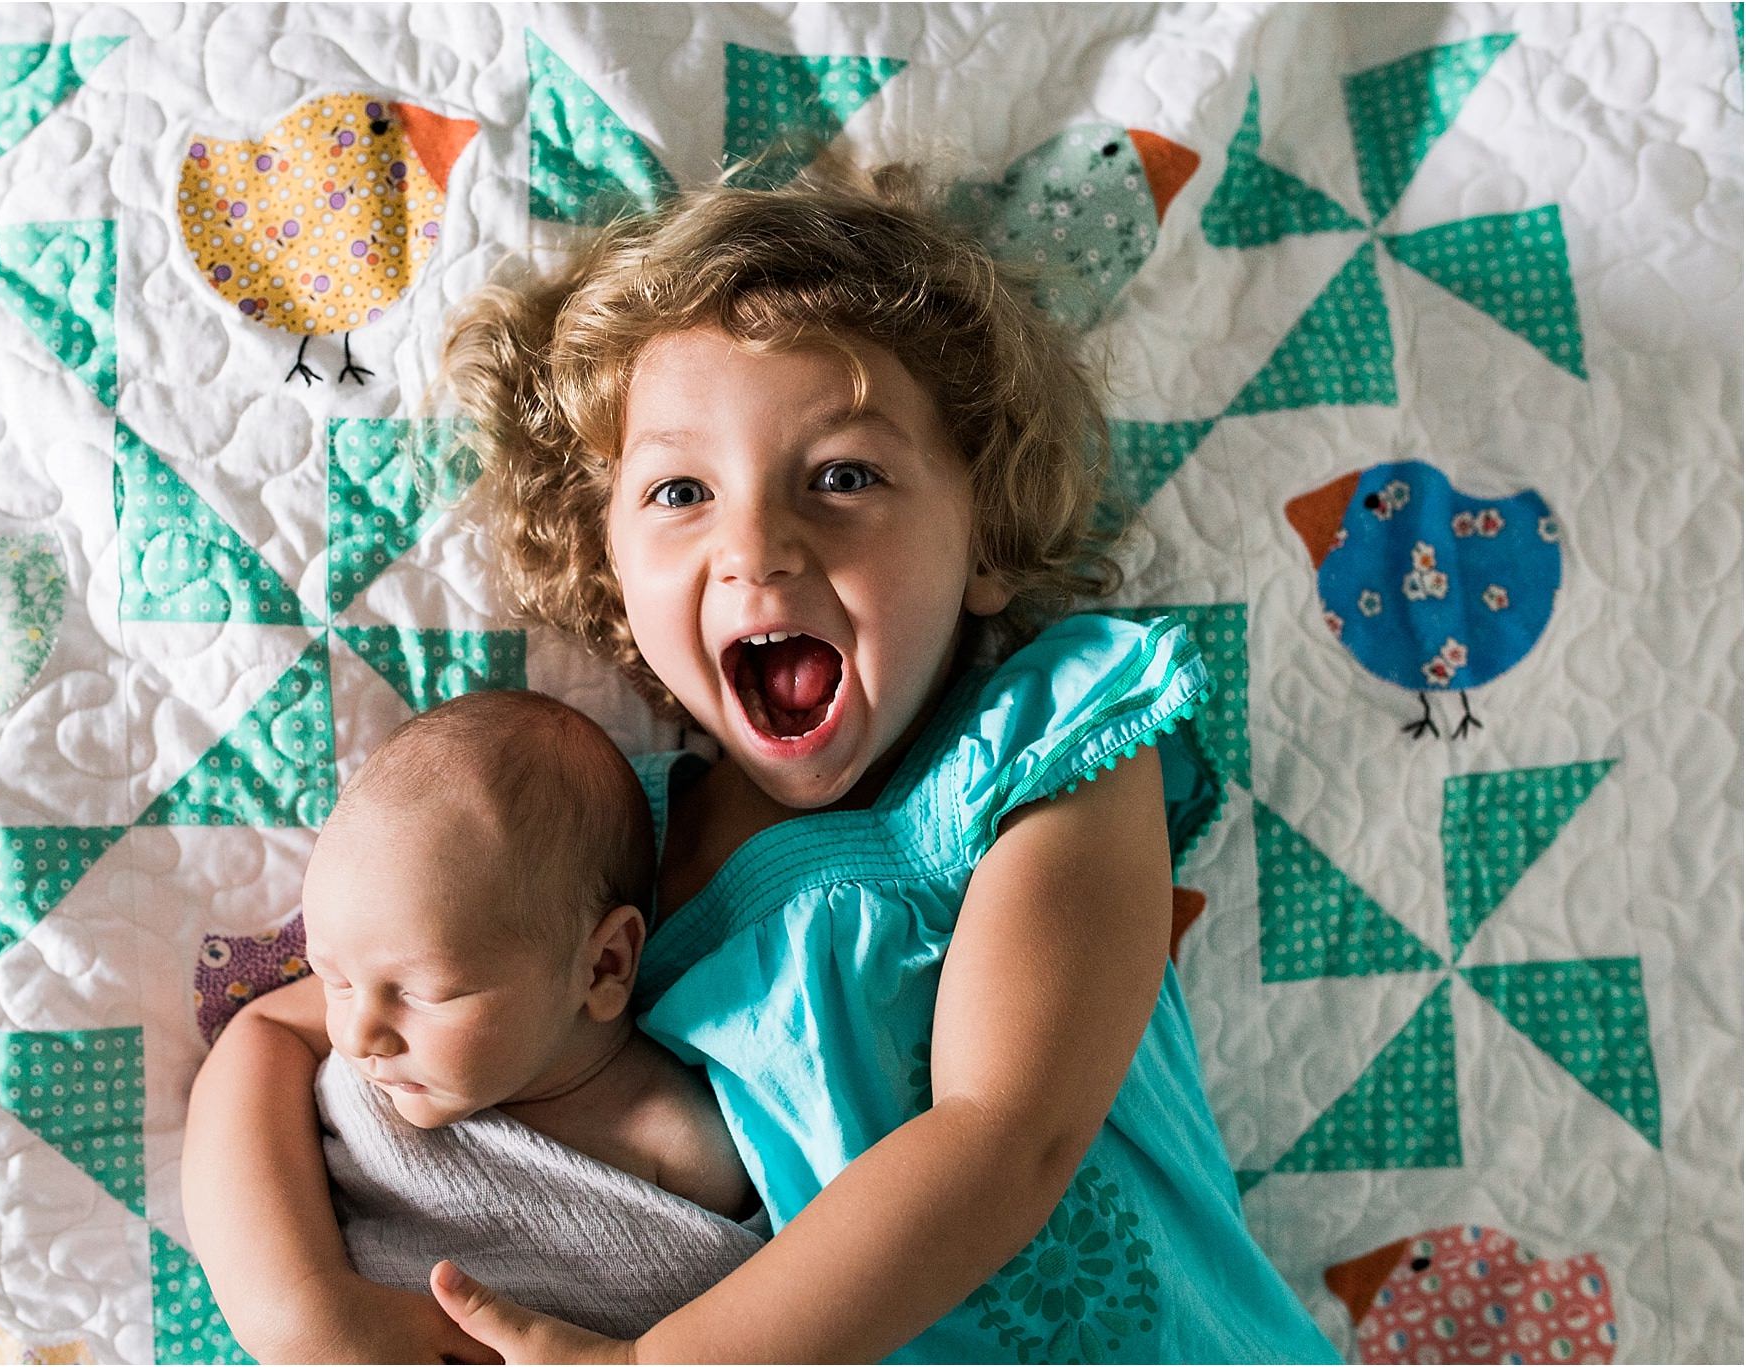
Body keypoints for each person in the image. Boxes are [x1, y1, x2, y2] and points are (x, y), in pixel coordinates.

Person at [188, 158, 1341, 1363]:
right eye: (681, 489)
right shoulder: (576, 843)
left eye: (842, 475)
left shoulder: (1044, 751)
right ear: (612, 582)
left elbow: (1005, 1134)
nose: (755, 545)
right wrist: (298, 1307)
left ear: (984, 536)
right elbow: (275, 1037)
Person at [183, 690, 760, 1361]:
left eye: (423, 992)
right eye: (333, 978)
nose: (360, 1032)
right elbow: (254, 1039)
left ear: (602, 966)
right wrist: (300, 1308)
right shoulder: (364, 1031)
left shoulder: (690, 1149)